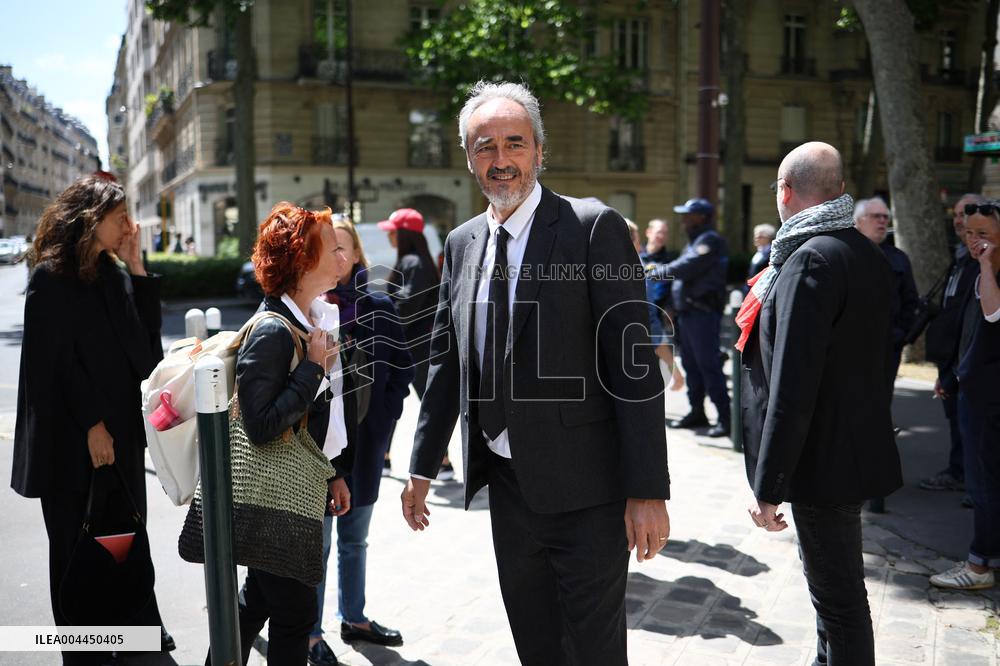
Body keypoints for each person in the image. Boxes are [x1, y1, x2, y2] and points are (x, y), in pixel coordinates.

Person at [401, 81, 670, 666]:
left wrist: (648, 490)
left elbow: (633, 367)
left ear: (539, 151)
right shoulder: (463, 242)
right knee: (537, 646)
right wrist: (422, 466)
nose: (501, 161)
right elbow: (448, 363)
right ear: (468, 157)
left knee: (594, 653)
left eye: (514, 144)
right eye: (484, 147)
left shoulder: (591, 227)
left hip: (588, 495)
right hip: (508, 490)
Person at [737, 142, 902, 665]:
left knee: (838, 602)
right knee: (835, 600)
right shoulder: (862, 251)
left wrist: (769, 484)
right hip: (848, 447)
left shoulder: (810, 257)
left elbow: (794, 382)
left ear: (785, 192)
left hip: (822, 455)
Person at [11, 175, 175, 664]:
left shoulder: (115, 274)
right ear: (90, 220)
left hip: (122, 436)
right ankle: (84, 648)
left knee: (124, 534)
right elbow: (51, 367)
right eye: (119, 216)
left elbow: (146, 358)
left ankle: (135, 627)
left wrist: (138, 267)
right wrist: (91, 423)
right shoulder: (50, 277)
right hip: (72, 443)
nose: (130, 224)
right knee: (76, 542)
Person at [228, 202, 355, 665]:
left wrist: (335, 473)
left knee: (256, 604)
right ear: (302, 258)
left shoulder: (311, 319)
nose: (342, 255)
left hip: (293, 493)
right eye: (331, 246)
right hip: (274, 499)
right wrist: (313, 371)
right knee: (295, 617)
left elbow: (328, 416)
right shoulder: (273, 331)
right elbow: (261, 425)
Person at [308, 217, 414, 665]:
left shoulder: (378, 307)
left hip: (366, 448)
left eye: (344, 247)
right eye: (329, 247)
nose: (339, 256)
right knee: (319, 543)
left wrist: (384, 425)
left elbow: (402, 372)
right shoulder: (307, 307)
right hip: (315, 451)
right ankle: (310, 634)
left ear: (356, 255)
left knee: (355, 539)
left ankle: (354, 617)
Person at [930, 202, 1000, 590]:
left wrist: (987, 267)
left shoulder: (988, 271)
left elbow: (993, 317)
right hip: (973, 386)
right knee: (984, 479)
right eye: (970, 233)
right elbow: (970, 332)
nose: (974, 241)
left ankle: (978, 567)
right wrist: (953, 376)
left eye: (983, 234)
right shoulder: (971, 267)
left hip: (989, 397)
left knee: (984, 481)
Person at [649, 198, 731, 437]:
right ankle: (697, 411)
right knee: (693, 366)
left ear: (702, 218)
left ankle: (726, 419)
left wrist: (655, 274)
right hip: (688, 314)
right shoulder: (696, 240)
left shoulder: (709, 241)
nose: (684, 219)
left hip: (703, 314)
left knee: (709, 365)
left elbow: (686, 267)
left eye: (689, 215)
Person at [921, 193, 984, 493]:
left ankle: (970, 480)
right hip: (952, 357)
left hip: (969, 361)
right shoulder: (960, 258)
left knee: (970, 426)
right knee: (958, 423)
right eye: (957, 215)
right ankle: (962, 474)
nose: (960, 220)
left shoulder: (981, 262)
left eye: (967, 213)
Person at [379, 208, 449, 476]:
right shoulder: (417, 261)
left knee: (421, 402)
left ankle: (440, 462)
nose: (389, 238)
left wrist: (383, 325)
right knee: (401, 399)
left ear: (404, 234)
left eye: (392, 232)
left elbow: (408, 305)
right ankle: (385, 457)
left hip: (413, 346)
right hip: (413, 345)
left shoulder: (414, 262)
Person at [854, 197, 918, 387]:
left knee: (880, 403)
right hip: (851, 346)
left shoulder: (899, 258)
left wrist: (900, 334)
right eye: (876, 216)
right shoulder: (845, 253)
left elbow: (910, 300)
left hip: (887, 346)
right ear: (859, 221)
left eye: (885, 217)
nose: (882, 221)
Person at [640, 218, 684, 391]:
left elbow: (673, 290)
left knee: (656, 365)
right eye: (659, 232)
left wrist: (670, 312)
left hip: (656, 314)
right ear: (648, 232)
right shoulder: (635, 255)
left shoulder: (670, 260)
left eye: (665, 233)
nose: (662, 236)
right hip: (642, 314)